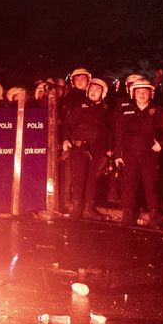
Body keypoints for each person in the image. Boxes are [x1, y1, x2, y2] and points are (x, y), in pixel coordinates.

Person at [113, 77, 163, 228]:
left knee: (151, 186)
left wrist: (161, 143)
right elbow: (119, 135)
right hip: (130, 154)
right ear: (133, 94)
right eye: (139, 92)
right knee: (129, 185)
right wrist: (118, 155)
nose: (142, 94)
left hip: (149, 155)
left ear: (150, 94)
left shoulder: (159, 112)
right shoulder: (125, 111)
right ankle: (127, 216)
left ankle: (154, 217)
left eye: (145, 92)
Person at [61, 79, 112, 219]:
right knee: (78, 178)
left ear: (103, 93)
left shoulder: (106, 109)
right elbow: (67, 124)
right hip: (80, 148)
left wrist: (110, 149)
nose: (93, 91)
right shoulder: (79, 106)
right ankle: (76, 209)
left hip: (98, 149)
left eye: (97, 89)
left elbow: (111, 130)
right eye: (91, 89)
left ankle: (88, 209)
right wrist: (65, 139)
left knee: (93, 179)